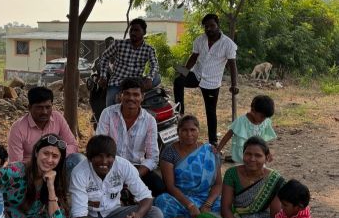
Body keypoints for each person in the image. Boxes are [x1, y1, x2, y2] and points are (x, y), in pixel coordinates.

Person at [69, 135, 163, 218]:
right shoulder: (79, 173)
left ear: (114, 157)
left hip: (114, 213)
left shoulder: (123, 166)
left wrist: (138, 216)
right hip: (90, 217)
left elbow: (146, 197)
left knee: (156, 214)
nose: (104, 161)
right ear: (89, 158)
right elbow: (80, 217)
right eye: (99, 156)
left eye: (109, 156)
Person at [197, 137, 285, 218]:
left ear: (266, 158)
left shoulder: (275, 180)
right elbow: (225, 208)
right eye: (248, 154)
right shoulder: (232, 174)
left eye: (258, 155)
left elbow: (275, 217)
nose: (252, 159)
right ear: (243, 155)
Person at [173, 13, 238, 145]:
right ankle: (180, 112)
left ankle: (213, 141)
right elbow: (194, 57)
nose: (209, 29)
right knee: (178, 81)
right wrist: (184, 71)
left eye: (212, 26)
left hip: (212, 82)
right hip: (196, 75)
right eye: (206, 27)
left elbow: (232, 65)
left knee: (210, 111)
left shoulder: (228, 44)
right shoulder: (200, 40)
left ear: (218, 26)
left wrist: (234, 84)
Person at [96, 77, 164, 197]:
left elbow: (153, 158)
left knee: (160, 188)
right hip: (110, 167)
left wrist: (133, 175)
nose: (131, 98)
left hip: (136, 169)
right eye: (127, 94)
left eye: (136, 94)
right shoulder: (107, 114)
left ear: (142, 97)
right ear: (120, 95)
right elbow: (100, 147)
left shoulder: (149, 121)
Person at [154, 115, 222, 218]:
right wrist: (190, 206)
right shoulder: (170, 152)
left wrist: (208, 204)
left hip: (205, 196)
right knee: (162, 202)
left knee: (225, 204)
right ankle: (199, 217)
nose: (189, 134)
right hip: (181, 198)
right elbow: (170, 186)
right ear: (178, 132)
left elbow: (218, 184)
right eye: (184, 130)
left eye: (193, 130)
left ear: (198, 131)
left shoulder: (209, 151)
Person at [7, 86, 84, 172]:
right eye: (39, 107)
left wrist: (55, 156)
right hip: (31, 170)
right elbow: (16, 163)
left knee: (78, 159)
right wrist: (41, 163)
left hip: (56, 164)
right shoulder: (18, 128)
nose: (44, 112)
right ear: (29, 107)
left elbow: (73, 145)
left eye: (48, 107)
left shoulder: (57, 118)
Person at [98, 18, 160, 107]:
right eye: (131, 30)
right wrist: (103, 76)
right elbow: (104, 57)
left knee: (157, 78)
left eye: (136, 30)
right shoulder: (119, 44)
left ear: (144, 32)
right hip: (117, 82)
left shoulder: (149, 49)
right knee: (110, 108)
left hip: (135, 82)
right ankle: (125, 95)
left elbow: (154, 65)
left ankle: (135, 93)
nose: (133, 33)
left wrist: (149, 78)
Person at [217, 95, 277, 163]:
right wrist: (218, 150)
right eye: (262, 116)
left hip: (257, 157)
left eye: (266, 117)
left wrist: (267, 152)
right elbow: (228, 135)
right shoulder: (241, 121)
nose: (264, 119)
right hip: (241, 158)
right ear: (253, 110)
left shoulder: (265, 122)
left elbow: (263, 141)